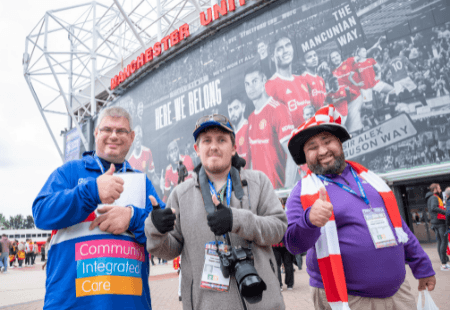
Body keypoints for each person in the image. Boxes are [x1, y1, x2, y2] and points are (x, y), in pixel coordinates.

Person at [284, 105, 436, 310]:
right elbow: (293, 244)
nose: (322, 151)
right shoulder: (302, 191)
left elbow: (398, 225)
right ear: (304, 156)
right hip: (346, 298)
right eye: (312, 147)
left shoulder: (371, 179)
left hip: (399, 293)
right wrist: (309, 221)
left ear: (339, 142)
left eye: (327, 141)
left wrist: (422, 265)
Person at [145, 114, 288, 310]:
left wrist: (236, 220)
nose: (214, 146)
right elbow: (168, 250)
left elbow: (278, 229)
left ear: (234, 147)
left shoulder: (259, 182)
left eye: (222, 140)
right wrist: (156, 230)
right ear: (197, 149)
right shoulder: (180, 194)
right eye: (206, 141)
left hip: (262, 302)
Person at [32, 106, 164, 310]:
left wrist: (132, 217)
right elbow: (41, 213)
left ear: (131, 137)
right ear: (96, 133)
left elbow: (162, 236)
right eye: (107, 129)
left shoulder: (142, 182)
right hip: (71, 305)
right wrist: (91, 192)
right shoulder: (69, 172)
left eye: (121, 131)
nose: (113, 136)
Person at [245, 65, 297, 189]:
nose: (250, 87)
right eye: (247, 84)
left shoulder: (278, 109)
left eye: (254, 81)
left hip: (278, 192)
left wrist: (286, 192)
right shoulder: (251, 118)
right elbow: (254, 159)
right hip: (263, 197)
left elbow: (293, 154)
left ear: (264, 81)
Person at [265, 33, 312, 127]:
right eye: (280, 48)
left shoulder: (302, 80)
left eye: (288, 45)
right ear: (272, 57)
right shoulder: (269, 86)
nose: (286, 50)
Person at [425, 183, 450, 271]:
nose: (440, 189)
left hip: (436, 222)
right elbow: (434, 208)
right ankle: (444, 264)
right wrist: (446, 212)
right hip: (440, 223)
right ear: (435, 189)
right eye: (439, 187)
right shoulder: (434, 198)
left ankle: (443, 261)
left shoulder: (431, 198)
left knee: (440, 242)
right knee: (444, 241)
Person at [227, 97, 250, 169]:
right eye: (230, 110)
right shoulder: (229, 136)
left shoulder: (249, 128)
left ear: (243, 108)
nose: (233, 113)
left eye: (236, 108)